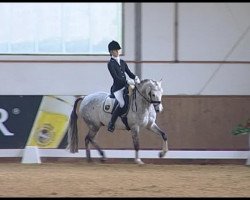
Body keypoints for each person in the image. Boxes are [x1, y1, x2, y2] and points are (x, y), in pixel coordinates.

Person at [107, 40, 140, 132]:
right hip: (117, 89)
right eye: (115, 50)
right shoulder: (110, 64)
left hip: (126, 86)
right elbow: (116, 77)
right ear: (111, 52)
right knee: (122, 103)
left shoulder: (122, 62)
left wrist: (135, 77)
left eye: (118, 50)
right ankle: (111, 123)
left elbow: (129, 73)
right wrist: (127, 81)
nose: (117, 52)